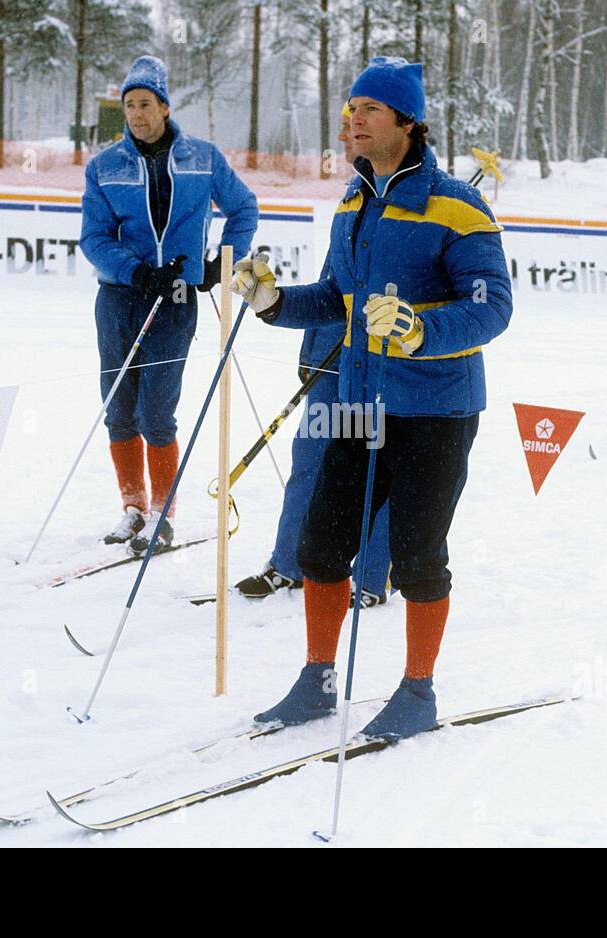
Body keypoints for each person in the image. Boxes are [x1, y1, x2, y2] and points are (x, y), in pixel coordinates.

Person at [230, 57, 513, 741]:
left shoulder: (457, 205)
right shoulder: (355, 203)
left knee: (417, 559)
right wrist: (272, 302)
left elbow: (492, 307)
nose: (352, 120)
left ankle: (418, 692)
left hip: (436, 410)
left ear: (407, 124)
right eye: (350, 107)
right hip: (358, 403)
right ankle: (318, 680)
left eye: (369, 110)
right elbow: (336, 298)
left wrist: (420, 330)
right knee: (320, 549)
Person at [80, 55, 258, 553]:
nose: (136, 114)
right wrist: (135, 270)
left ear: (164, 105)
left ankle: (162, 513)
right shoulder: (104, 166)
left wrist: (221, 263)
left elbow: (244, 207)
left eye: (144, 104)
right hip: (120, 297)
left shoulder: (202, 157)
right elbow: (93, 237)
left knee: (156, 410)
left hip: (178, 298)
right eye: (128, 105)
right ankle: (133, 508)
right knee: (118, 406)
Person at [233, 104, 392, 607]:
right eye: (343, 128)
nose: (345, 137)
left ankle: (369, 577)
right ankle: (291, 563)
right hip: (330, 357)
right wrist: (308, 346)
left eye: (355, 127)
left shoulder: (403, 199)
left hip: (378, 362)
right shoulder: (352, 196)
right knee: (311, 461)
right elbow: (331, 287)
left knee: (372, 468)